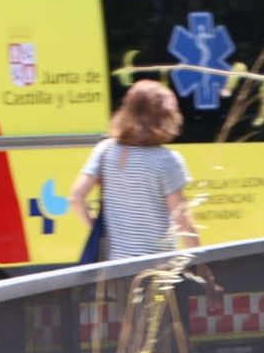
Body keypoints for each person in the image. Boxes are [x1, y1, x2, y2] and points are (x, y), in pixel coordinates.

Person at [69, 79, 199, 261]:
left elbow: (76, 197)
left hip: (112, 268)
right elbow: (182, 220)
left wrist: (96, 230)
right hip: (156, 268)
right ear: (165, 117)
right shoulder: (167, 160)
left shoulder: (104, 150)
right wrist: (200, 263)